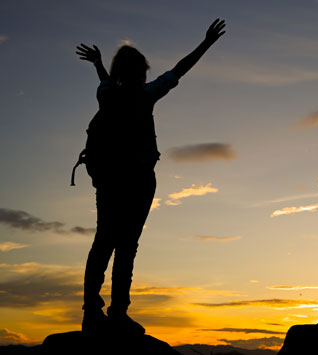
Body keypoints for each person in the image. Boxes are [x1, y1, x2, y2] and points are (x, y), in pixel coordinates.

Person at [75, 19, 226, 335]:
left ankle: (92, 312)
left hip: (109, 180)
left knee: (104, 241)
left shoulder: (106, 95)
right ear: (141, 71)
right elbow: (180, 69)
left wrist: (99, 64)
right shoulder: (147, 95)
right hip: (139, 180)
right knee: (127, 245)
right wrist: (207, 42)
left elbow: (106, 83)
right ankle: (118, 313)